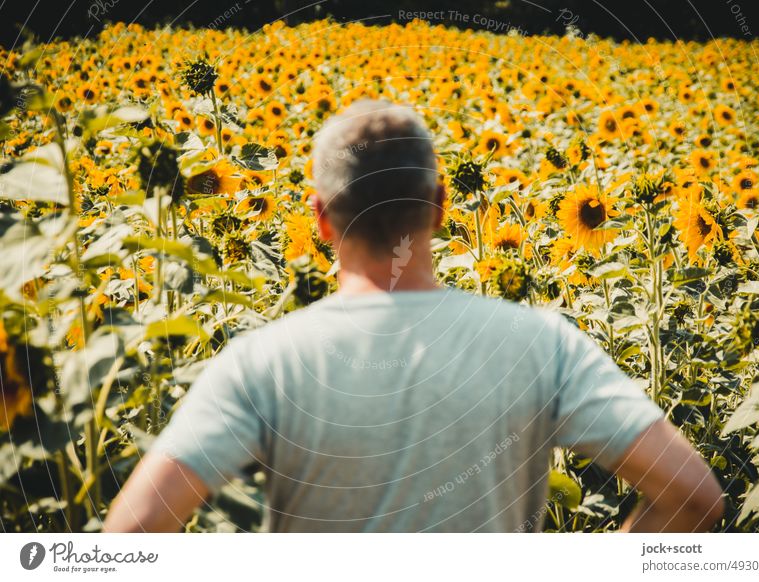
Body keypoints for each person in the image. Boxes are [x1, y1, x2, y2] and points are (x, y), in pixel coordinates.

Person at [103, 100, 724, 533]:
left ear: (319, 219)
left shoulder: (264, 361)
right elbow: (694, 498)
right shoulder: (540, 345)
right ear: (439, 206)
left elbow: (133, 531)